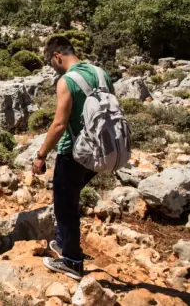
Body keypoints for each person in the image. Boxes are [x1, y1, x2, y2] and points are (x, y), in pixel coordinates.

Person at [34, 35, 113, 280]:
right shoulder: (101, 73)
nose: (52, 67)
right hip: (102, 148)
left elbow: (59, 124)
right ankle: (63, 242)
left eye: (51, 62)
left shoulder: (67, 80)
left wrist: (41, 155)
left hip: (74, 151)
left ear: (57, 56)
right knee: (71, 196)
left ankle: (72, 261)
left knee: (65, 204)